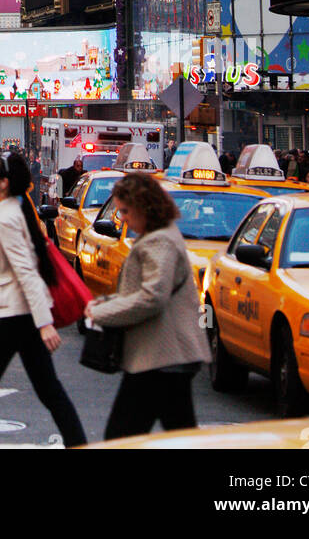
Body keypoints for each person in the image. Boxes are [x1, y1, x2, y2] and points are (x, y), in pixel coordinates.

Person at [0, 152, 86, 450]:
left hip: (13, 314)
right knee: (48, 390)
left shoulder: (9, 217)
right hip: (20, 316)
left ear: (4, 183)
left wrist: (46, 323)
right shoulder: (11, 211)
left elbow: (27, 271)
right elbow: (17, 259)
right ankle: (78, 443)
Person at [86, 172, 210, 440]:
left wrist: (102, 312)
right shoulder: (161, 235)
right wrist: (108, 302)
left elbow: (152, 296)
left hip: (159, 357)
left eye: (126, 211)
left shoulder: (159, 241)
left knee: (120, 439)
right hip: (168, 356)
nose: (122, 218)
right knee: (180, 436)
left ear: (144, 206)